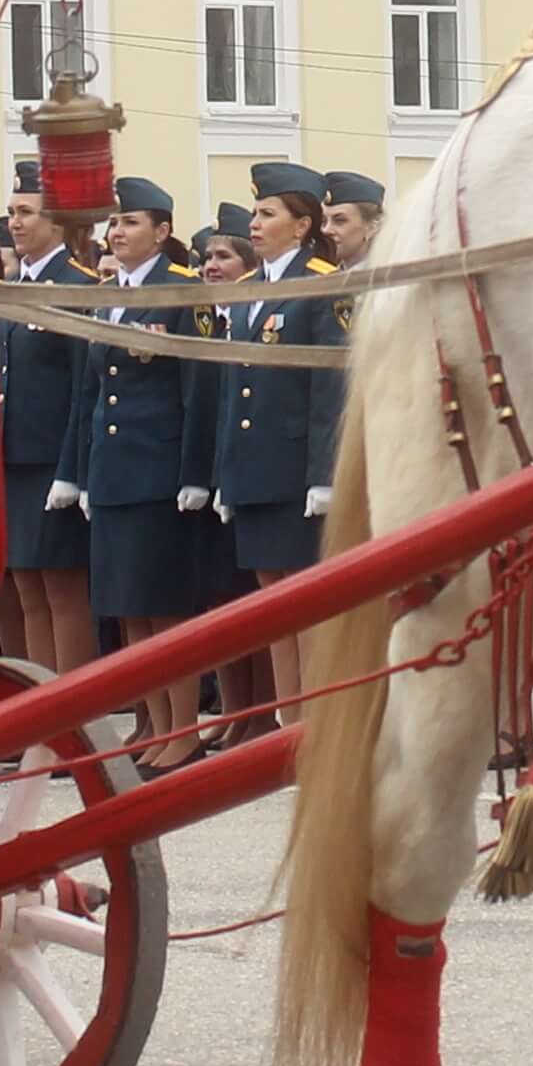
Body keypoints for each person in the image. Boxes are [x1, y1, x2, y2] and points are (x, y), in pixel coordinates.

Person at [69, 177, 236, 735]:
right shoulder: (112, 294)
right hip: (114, 472)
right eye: (114, 223)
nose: (117, 232)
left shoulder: (182, 292)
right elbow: (94, 391)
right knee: (128, 608)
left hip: (159, 475)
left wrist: (193, 475)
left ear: (162, 231)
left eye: (131, 222)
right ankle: (155, 724)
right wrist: (86, 472)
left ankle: (181, 727)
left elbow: (198, 389)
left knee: (164, 608)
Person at [215, 165, 350, 712]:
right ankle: (286, 719)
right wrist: (227, 472)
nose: (254, 223)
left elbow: (330, 385)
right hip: (255, 467)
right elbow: (234, 388)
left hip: (297, 468)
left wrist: (324, 476)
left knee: (305, 599)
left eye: (267, 214)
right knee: (273, 597)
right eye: (255, 213)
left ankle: (313, 718)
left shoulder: (321, 283)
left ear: (301, 226)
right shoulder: (248, 292)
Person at [0, 166, 99, 675]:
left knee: (63, 591)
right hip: (16, 460)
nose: (14, 222)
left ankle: (74, 719)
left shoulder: (77, 285)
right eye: (12, 212)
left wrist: (71, 469)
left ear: (57, 223)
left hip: (54, 462)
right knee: (27, 590)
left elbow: (84, 387)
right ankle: (41, 713)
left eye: (25, 212)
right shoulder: (16, 286)